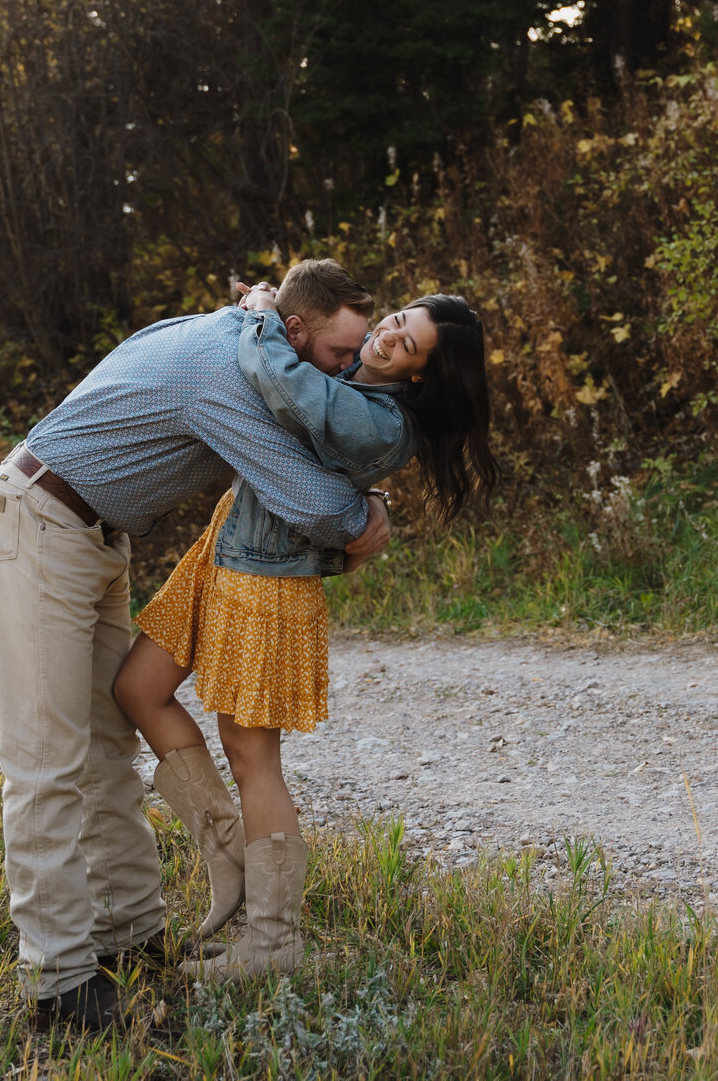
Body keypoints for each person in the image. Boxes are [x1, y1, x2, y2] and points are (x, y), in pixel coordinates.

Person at [0, 259, 390, 1035]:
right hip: (36, 524)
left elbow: (298, 432)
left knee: (106, 742)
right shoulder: (225, 378)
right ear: (295, 331)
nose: (348, 372)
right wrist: (370, 510)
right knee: (44, 760)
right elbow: (311, 502)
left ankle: (132, 939)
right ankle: (59, 986)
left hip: (91, 533)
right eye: (338, 357)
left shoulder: (252, 332)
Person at [112, 284, 500, 979]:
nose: (387, 337)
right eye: (396, 320)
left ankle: (274, 940)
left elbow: (286, 387)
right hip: (222, 552)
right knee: (138, 689)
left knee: (252, 755)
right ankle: (228, 849)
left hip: (269, 581)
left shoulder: (379, 420)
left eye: (406, 344)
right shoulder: (352, 374)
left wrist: (260, 315)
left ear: (420, 375)